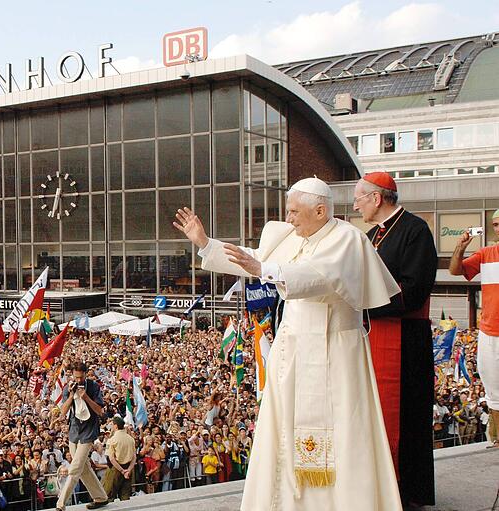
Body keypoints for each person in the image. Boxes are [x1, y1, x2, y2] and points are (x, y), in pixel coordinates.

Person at [174, 177, 402, 509]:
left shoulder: (348, 239)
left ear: (320, 210)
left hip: (336, 350)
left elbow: (316, 277)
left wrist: (264, 267)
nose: (290, 218)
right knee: (284, 428)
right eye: (288, 211)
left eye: (295, 211)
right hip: (294, 349)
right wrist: (206, 242)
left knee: (343, 431)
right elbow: (252, 257)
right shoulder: (289, 234)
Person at [352, 171, 438, 506]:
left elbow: (413, 289)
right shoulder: (373, 234)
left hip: (406, 340)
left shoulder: (415, 230)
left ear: (376, 197)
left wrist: (363, 304)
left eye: (359, 198)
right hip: (374, 335)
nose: (357, 205)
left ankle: (405, 492)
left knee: (406, 419)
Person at [449, 212, 499, 449]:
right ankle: (496, 437)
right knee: (493, 388)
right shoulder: (486, 254)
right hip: (489, 332)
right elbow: (455, 271)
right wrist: (460, 248)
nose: (498, 228)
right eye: (496, 224)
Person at [55, 360, 109, 511]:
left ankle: (61, 504)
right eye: (76, 377)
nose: (79, 380)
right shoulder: (68, 388)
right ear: (72, 375)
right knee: (84, 469)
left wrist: (86, 397)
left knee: (75, 468)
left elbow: (100, 411)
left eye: (81, 377)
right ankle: (100, 497)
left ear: (85, 374)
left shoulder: (93, 387)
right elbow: (63, 411)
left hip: (89, 430)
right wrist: (72, 396)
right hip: (74, 431)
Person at [102, 417, 135, 502]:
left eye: (112, 424)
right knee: (125, 496)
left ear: (116, 426)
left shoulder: (112, 440)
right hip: (128, 469)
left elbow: (111, 459)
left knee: (109, 495)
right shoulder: (131, 439)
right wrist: (128, 470)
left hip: (115, 469)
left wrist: (122, 471)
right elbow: (134, 457)